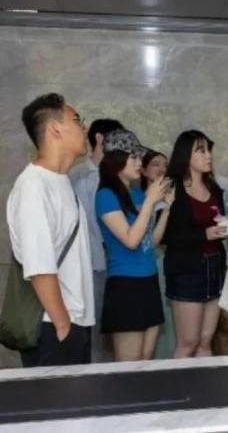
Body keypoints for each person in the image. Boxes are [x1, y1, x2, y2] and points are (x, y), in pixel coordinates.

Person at [7, 93, 94, 367]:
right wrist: (63, 325)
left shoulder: (60, 181)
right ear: (55, 128)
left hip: (74, 321)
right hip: (53, 327)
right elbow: (39, 266)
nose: (84, 128)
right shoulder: (34, 186)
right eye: (77, 120)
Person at [95, 130, 173, 361]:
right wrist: (150, 201)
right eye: (134, 157)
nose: (140, 163)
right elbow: (130, 240)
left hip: (149, 280)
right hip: (125, 285)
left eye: (140, 157)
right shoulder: (106, 195)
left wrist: (166, 209)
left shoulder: (137, 193)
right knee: (129, 367)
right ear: (116, 160)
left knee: (146, 362)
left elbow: (152, 241)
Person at [162, 130, 227, 358]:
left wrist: (225, 228)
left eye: (209, 150)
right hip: (187, 270)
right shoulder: (172, 188)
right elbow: (164, 236)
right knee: (188, 342)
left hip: (215, 268)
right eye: (201, 151)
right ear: (185, 155)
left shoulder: (215, 188)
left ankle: (205, 382)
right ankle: (179, 381)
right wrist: (203, 234)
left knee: (206, 342)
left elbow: (219, 223)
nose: (208, 155)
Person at [70, 118, 123, 362]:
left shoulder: (119, 176)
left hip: (118, 264)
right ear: (100, 138)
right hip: (92, 265)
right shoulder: (79, 176)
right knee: (94, 333)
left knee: (116, 333)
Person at [141, 150, 177, 359]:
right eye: (156, 164)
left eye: (165, 164)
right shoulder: (138, 200)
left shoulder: (174, 198)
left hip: (170, 262)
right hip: (148, 263)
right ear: (143, 170)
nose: (162, 169)